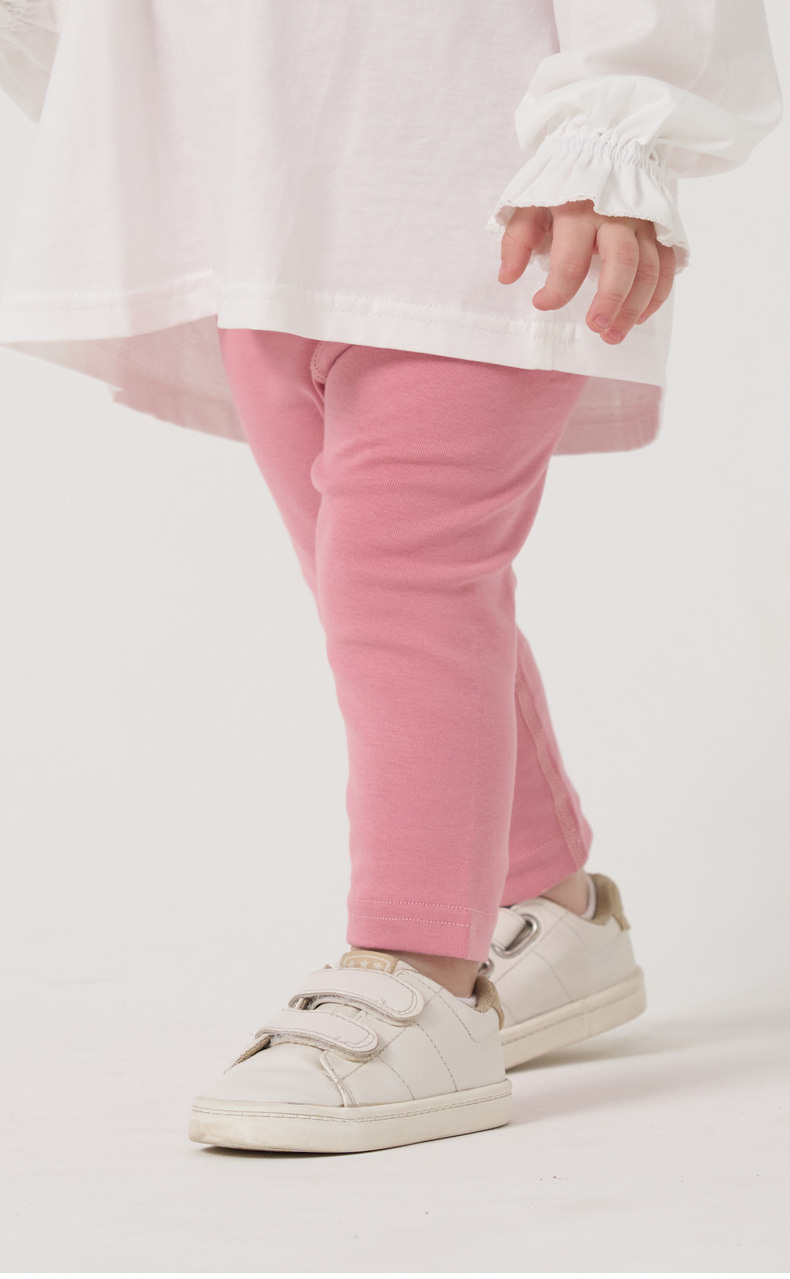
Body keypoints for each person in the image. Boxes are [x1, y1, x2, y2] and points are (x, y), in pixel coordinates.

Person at [0, 0, 782, 1155]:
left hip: (476, 183)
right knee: (365, 584)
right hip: (256, 188)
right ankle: (548, 901)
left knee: (400, 576)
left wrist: (614, 131)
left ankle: (418, 960)